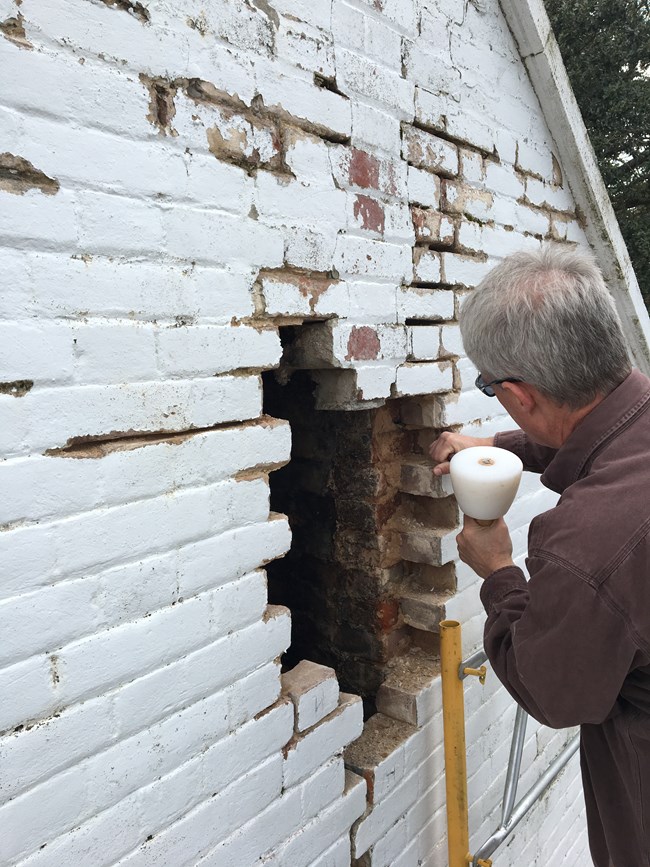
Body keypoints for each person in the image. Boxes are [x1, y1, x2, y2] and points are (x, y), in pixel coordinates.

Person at [429, 246, 650, 867]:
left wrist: (500, 574)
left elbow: (554, 695)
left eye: (491, 390)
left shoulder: (588, 542)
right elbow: (605, 442)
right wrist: (499, 446)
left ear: (519, 393)